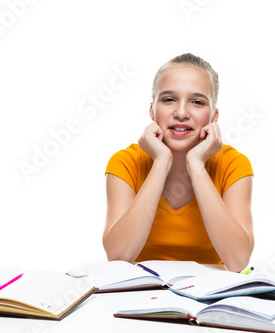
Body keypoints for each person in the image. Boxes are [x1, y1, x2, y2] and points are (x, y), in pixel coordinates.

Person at [102, 53, 254, 272]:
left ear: (214, 117)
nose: (181, 113)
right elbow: (118, 257)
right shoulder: (125, 162)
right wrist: (161, 162)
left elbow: (238, 261)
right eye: (168, 99)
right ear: (152, 111)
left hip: (210, 297)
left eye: (197, 102)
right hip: (143, 295)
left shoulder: (234, 165)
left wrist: (196, 165)